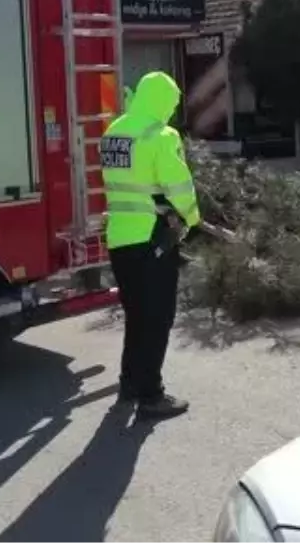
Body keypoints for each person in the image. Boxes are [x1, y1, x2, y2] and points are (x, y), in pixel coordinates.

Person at [101, 71, 201, 419]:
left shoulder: (114, 132)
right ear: (161, 100)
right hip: (150, 240)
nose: (172, 112)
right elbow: (178, 185)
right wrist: (192, 218)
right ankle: (151, 396)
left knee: (136, 316)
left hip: (119, 237)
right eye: (171, 104)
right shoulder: (160, 135)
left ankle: (130, 385)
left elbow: (133, 183)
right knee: (157, 318)